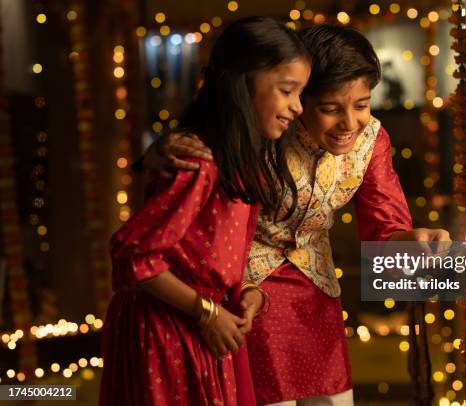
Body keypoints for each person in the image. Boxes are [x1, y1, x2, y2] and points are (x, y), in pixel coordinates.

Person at [144, 24, 450, 406]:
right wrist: (157, 153)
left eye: (362, 104)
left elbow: (383, 230)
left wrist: (416, 242)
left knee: (335, 399)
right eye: (330, 109)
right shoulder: (263, 130)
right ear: (300, 96)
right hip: (247, 293)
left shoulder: (372, 140)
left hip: (316, 287)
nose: (350, 124)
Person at [99, 17, 310, 406]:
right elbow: (134, 255)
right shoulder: (200, 161)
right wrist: (207, 313)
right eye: (286, 91)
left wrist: (246, 292)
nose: (297, 107)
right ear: (242, 84)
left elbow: (214, 254)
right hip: (171, 331)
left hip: (204, 326)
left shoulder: (245, 164)